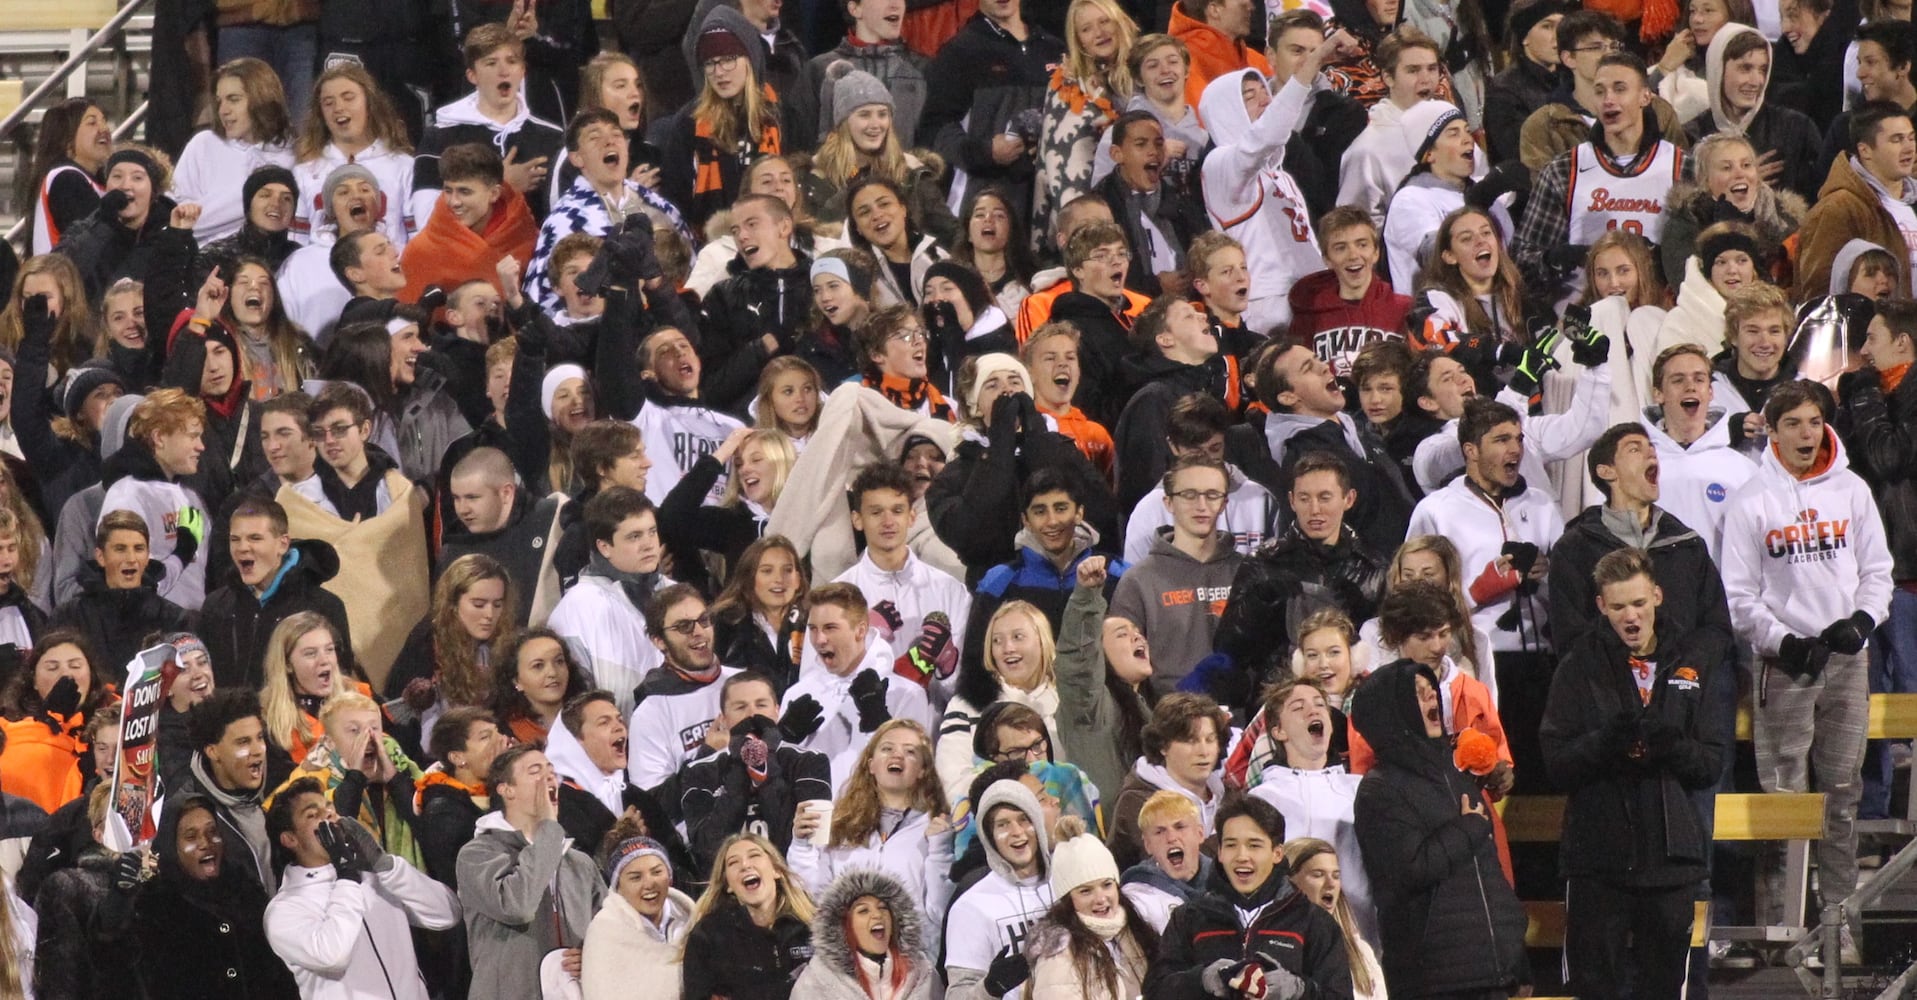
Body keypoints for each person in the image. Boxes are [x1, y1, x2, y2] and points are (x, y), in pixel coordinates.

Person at [1720, 381, 1893, 946]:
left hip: (1847, 661)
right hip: (1784, 665)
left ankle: (1839, 920)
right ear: (1771, 430)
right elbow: (1738, 596)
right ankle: (1782, 926)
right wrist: (1783, 641)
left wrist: (1863, 622)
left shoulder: (1852, 489)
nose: (1804, 433)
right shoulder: (1751, 500)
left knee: (1843, 793)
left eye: (1813, 422)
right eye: (1791, 423)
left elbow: (1877, 570)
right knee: (1784, 799)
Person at [1539, 547, 1729, 1000]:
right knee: (1596, 988)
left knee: (1664, 989)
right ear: (1601, 606)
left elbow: (1710, 764)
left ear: (1658, 597)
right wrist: (1605, 742)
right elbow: (1556, 763)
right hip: (1598, 863)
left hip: (1671, 864)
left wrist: (1671, 743)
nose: (1631, 616)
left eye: (1639, 603)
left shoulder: (1691, 659)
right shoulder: (1578, 666)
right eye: (1620, 606)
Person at [1349, 659, 1527, 998]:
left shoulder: (1458, 774)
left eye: (1433, 692)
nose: (1433, 700)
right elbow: (1409, 870)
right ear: (1393, 710)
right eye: (1419, 694)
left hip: (1494, 972)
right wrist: (1468, 827)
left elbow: (1489, 875)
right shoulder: (1379, 790)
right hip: (1434, 980)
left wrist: (1517, 957)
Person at [1547, 423, 1737, 667]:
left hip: (1684, 693)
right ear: (1606, 471)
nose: (1651, 454)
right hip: (1610, 696)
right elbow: (1570, 637)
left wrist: (1685, 674)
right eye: (1634, 450)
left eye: (1652, 448)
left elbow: (1716, 629)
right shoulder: (1574, 549)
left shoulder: (1687, 545)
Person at [263, 776, 463, 1000]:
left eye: (328, 807)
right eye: (312, 814)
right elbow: (333, 955)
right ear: (290, 839)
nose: (328, 814)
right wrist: (346, 876)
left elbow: (447, 913)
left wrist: (386, 866)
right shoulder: (285, 910)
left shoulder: (374, 877)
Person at [1212, 451, 1389, 702]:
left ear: (1348, 499)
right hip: (1278, 701)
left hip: (1354, 705)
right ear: (1292, 501)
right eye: (1305, 498)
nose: (1314, 510)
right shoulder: (1263, 563)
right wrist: (1259, 604)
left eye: (1324, 497)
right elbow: (1227, 650)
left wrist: (1362, 616)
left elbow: (1389, 652)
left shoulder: (1373, 569)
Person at [1512, 52, 1687, 296]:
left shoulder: (1681, 167)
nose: (1608, 99)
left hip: (1659, 308)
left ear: (1645, 96)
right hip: (1585, 313)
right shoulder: (1564, 170)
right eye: (1600, 91)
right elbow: (1522, 259)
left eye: (1619, 89)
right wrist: (1559, 258)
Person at [1145, 796, 1351, 999]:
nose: (1242, 856)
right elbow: (1155, 991)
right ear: (1220, 852)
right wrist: (1201, 980)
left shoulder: (1313, 922)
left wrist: (1299, 990)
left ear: (1277, 853)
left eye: (1254, 845)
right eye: (1231, 845)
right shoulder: (1189, 918)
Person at [1838, 299, 1917, 822]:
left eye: (1873, 338)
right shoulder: (1877, 395)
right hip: (1867, 571)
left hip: (1910, 576)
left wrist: (1863, 396)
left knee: (1911, 698)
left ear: (1903, 343)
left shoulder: (1901, 396)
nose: (1864, 351)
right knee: (1868, 702)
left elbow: (1890, 458)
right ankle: (1871, 822)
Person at [457, 744, 606, 1000]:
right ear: (507, 790)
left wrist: (592, 956)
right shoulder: (478, 854)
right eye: (535, 771)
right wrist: (548, 830)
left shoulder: (579, 863)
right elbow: (517, 906)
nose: (549, 777)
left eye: (551, 770)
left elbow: (608, 930)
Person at [122, 794, 300, 1000]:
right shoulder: (154, 907)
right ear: (170, 846)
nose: (205, 843)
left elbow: (278, 976)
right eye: (191, 836)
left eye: (212, 831)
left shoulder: (245, 891)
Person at [1246, 678, 1373, 943]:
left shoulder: (1360, 789)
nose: (1313, 711)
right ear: (1278, 731)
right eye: (1298, 707)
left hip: (1362, 937)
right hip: (1292, 938)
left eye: (1319, 705)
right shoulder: (1263, 799)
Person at [919, 0, 1066, 219]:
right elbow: (934, 128)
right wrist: (985, 152)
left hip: (1052, 203)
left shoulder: (1055, 49)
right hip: (989, 204)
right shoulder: (959, 53)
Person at [783, 582, 937, 789]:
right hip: (811, 818)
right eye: (813, 629)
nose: (819, 639)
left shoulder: (906, 694)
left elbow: (913, 780)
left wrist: (880, 727)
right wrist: (784, 742)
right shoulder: (798, 693)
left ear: (860, 631)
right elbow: (778, 783)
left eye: (830, 628)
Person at [833, 463, 970, 690]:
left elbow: (967, 690)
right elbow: (816, 686)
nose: (888, 522)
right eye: (876, 512)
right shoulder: (837, 598)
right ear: (857, 520)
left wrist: (948, 667)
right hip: (863, 725)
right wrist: (865, 639)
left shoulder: (950, 591)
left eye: (897, 511)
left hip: (930, 722)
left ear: (911, 516)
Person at [411, 24, 566, 225]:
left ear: (522, 71)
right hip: (465, 254)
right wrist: (502, 186)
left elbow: (561, 216)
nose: (503, 72)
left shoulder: (551, 138)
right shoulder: (440, 137)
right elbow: (426, 220)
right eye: (491, 63)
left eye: (511, 62)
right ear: (472, 75)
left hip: (532, 253)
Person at [199, 495, 352, 691]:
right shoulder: (216, 605)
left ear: (283, 544)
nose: (242, 548)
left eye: (255, 538)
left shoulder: (323, 606)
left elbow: (338, 680)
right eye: (235, 540)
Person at [1111, 457, 1242, 683]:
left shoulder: (1247, 573)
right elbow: (1123, 666)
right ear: (1169, 503)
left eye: (1212, 495)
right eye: (1189, 495)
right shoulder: (1139, 581)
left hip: (1240, 714)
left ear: (1224, 503)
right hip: (1168, 714)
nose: (1201, 505)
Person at [658, 9, 789, 231]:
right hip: (711, 244)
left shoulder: (780, 116)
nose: (719, 72)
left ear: (750, 58)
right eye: (710, 63)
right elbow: (675, 202)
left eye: (728, 59)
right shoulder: (688, 124)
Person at [546, 488, 669, 716]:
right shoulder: (576, 609)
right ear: (604, 547)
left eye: (652, 532)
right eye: (634, 536)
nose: (649, 544)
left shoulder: (676, 593)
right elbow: (576, 705)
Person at [1517, 11, 1689, 172]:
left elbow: (1682, 180)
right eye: (1595, 47)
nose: (1609, 54)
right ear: (1569, 59)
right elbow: (1548, 194)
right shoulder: (1543, 125)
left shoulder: (1657, 110)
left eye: (1614, 46)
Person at [1639, 345, 1760, 559]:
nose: (1690, 387)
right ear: (1658, 393)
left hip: (1721, 591)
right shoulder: (1633, 467)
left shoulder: (1743, 471)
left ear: (1711, 392)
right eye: (1678, 380)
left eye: (1699, 379)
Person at [698, 196, 817, 413]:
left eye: (752, 224)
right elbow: (710, 389)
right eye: (735, 230)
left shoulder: (823, 285)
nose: (742, 236)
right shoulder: (722, 296)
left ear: (784, 227)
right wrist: (758, 351)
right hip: (753, 430)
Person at [943, 778, 1055, 1000]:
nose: (1016, 832)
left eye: (1024, 820)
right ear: (989, 837)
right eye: (1003, 824)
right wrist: (990, 988)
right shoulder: (970, 908)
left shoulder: (1068, 883)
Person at [1681, 26, 1822, 202]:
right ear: (1718, 69)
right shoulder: (1691, 136)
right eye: (1745, 68)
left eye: (1762, 69)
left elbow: (1818, 200)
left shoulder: (1797, 129)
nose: (1757, 81)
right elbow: (1686, 212)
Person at [1796, 100, 1917, 301]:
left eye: (1911, 138)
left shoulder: (1912, 202)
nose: (1909, 148)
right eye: (1896, 140)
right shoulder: (1839, 209)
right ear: (1865, 150)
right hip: (1875, 330)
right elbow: (1819, 296)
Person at [1023, 816, 1155, 1000]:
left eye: (1107, 884)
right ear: (1068, 899)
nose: (1101, 898)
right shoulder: (1057, 953)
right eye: (1086, 891)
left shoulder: (1135, 930)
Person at [289, 64, 416, 249]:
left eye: (348, 98)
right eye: (328, 103)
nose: (339, 107)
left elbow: (417, 239)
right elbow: (296, 244)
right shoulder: (304, 172)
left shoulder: (405, 167)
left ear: (369, 103)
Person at [627, 585, 741, 789]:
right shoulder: (651, 712)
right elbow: (654, 803)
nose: (698, 632)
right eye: (683, 626)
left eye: (704, 620)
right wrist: (707, 757)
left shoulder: (744, 683)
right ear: (659, 641)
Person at [172, 58, 297, 244]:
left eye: (233, 99)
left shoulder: (293, 156)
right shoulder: (203, 144)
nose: (223, 110)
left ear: (261, 99)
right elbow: (180, 220)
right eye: (219, 101)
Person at [1106, 693, 1237, 870]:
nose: (1203, 751)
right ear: (1162, 746)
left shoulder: (1230, 796)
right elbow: (1179, 867)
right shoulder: (1138, 802)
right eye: (1191, 741)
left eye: (1210, 739)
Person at [681, 832, 817, 1000]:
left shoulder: (814, 927)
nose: (745, 865)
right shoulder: (708, 936)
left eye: (754, 855)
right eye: (733, 862)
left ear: (776, 870)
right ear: (728, 885)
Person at [399, 144, 540, 306]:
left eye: (464, 192)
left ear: (494, 194)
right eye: (448, 190)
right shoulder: (421, 252)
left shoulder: (526, 237)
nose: (454, 202)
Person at [49, 513, 189, 675]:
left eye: (138, 549)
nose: (131, 558)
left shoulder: (174, 619)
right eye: (120, 549)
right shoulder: (69, 617)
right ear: (101, 557)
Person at [1337, 28, 1449, 228]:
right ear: (1388, 77)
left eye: (1432, 68)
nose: (1426, 79)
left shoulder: (1451, 126)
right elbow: (1354, 226)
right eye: (1413, 70)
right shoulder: (1368, 149)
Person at [1288, 208, 1411, 378]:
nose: (1353, 255)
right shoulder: (1309, 313)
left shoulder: (1404, 309)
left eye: (1362, 244)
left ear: (1376, 252)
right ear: (1327, 259)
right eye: (1340, 248)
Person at [180, 689, 281, 891]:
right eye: (243, 742)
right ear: (213, 751)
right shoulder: (189, 815)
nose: (257, 750)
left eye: (259, 738)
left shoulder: (277, 791)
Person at [581, 823, 696, 1000]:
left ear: (670, 877)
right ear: (618, 887)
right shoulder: (605, 931)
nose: (649, 883)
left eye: (657, 872)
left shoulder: (693, 921)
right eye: (636, 877)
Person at [52, 146, 178, 300]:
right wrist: (103, 224)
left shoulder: (172, 236)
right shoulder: (85, 228)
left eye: (137, 178)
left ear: (153, 190)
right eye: (117, 176)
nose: (125, 185)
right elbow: (58, 276)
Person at [1282, 837, 1385, 1000]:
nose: (1331, 883)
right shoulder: (1271, 945)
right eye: (1318, 875)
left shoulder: (1360, 951)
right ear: (1288, 882)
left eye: (1336, 876)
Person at [415, 706, 506, 886]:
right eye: (486, 737)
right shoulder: (443, 812)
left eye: (498, 734)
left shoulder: (505, 789)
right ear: (457, 757)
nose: (500, 742)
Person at [709, 538, 811, 693]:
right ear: (749, 578)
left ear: (798, 579)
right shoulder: (725, 624)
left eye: (787, 570)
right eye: (767, 571)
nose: (779, 579)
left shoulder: (812, 622)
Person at [1483, 0, 1571, 165]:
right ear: (1524, 37)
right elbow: (1520, 152)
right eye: (1547, 26)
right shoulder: (1504, 89)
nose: (1558, 35)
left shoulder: (1571, 79)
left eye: (1561, 26)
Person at [27, 98, 110, 256]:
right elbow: (96, 246)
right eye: (92, 123)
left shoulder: (96, 181)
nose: (104, 128)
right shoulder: (66, 180)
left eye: (104, 120)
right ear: (66, 138)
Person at [490, 627, 591, 745]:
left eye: (559, 661)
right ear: (516, 681)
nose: (553, 673)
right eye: (538, 666)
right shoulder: (503, 735)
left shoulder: (591, 718)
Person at [1167, 0, 1271, 107]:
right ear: (1214, 10)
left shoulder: (1255, 59)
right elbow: (1202, 119)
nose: (1251, 6)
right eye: (1242, 1)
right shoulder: (1180, 64)